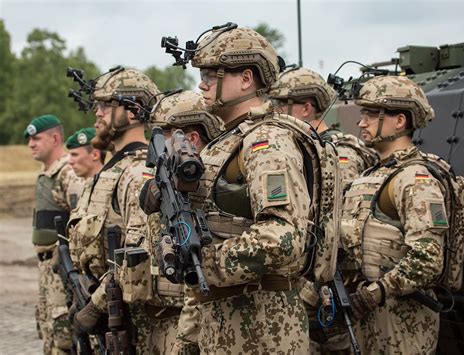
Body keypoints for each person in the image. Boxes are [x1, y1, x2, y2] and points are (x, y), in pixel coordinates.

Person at [169, 25, 327, 353]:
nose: (202, 84)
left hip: (263, 326)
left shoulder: (266, 141)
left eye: (213, 74)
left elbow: (282, 238)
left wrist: (205, 264)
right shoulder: (227, 142)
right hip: (225, 322)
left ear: (245, 78)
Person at [270, 67, 378, 354]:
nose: (276, 111)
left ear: (306, 108)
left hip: (330, 290)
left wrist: (311, 290)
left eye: (282, 105)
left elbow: (342, 229)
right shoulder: (299, 149)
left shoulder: (336, 153)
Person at [340, 75, 449, 353]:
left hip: (402, 319)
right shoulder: (371, 175)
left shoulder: (415, 178)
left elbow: (428, 258)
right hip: (367, 314)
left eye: (372, 114)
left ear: (400, 121)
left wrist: (379, 291)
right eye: (363, 113)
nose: (362, 122)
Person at [66, 67, 159, 353]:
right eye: (97, 104)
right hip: (110, 318)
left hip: (136, 326)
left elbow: (138, 252)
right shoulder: (114, 168)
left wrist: (94, 307)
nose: (98, 112)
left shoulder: (137, 173)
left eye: (107, 104)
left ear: (134, 112)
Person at [139, 90, 225, 354]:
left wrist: (184, 342)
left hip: (195, 320)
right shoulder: (172, 184)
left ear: (191, 140)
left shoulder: (211, 184)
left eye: (163, 137)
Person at [24, 114, 83, 354]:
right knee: (48, 334)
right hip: (46, 270)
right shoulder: (47, 173)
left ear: (55, 138)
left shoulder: (68, 173)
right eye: (29, 139)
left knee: (64, 340)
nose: (31, 144)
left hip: (61, 271)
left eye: (36, 138)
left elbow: (82, 222)